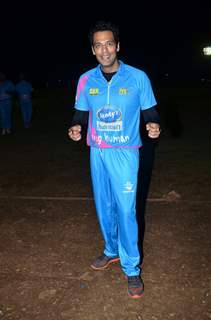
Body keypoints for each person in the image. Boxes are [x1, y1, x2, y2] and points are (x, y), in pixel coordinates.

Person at [68, 21, 161, 299]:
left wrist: (153, 124)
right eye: (98, 44)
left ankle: (132, 268)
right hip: (97, 151)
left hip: (125, 152)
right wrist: (75, 127)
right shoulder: (86, 79)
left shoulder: (137, 77)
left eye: (109, 43)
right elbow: (80, 113)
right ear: (93, 49)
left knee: (126, 210)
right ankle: (111, 251)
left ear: (118, 46)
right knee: (104, 206)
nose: (104, 49)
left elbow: (151, 111)